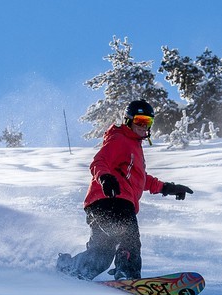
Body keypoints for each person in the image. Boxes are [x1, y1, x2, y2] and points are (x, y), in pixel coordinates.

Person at [57, 100, 194, 281]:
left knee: (103, 253)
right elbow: (99, 162)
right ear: (128, 120)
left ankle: (72, 269)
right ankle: (128, 274)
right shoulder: (120, 139)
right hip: (113, 200)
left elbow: (140, 179)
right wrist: (105, 178)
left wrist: (168, 188)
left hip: (99, 205)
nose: (143, 126)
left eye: (148, 122)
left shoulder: (134, 147)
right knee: (129, 237)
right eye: (139, 121)